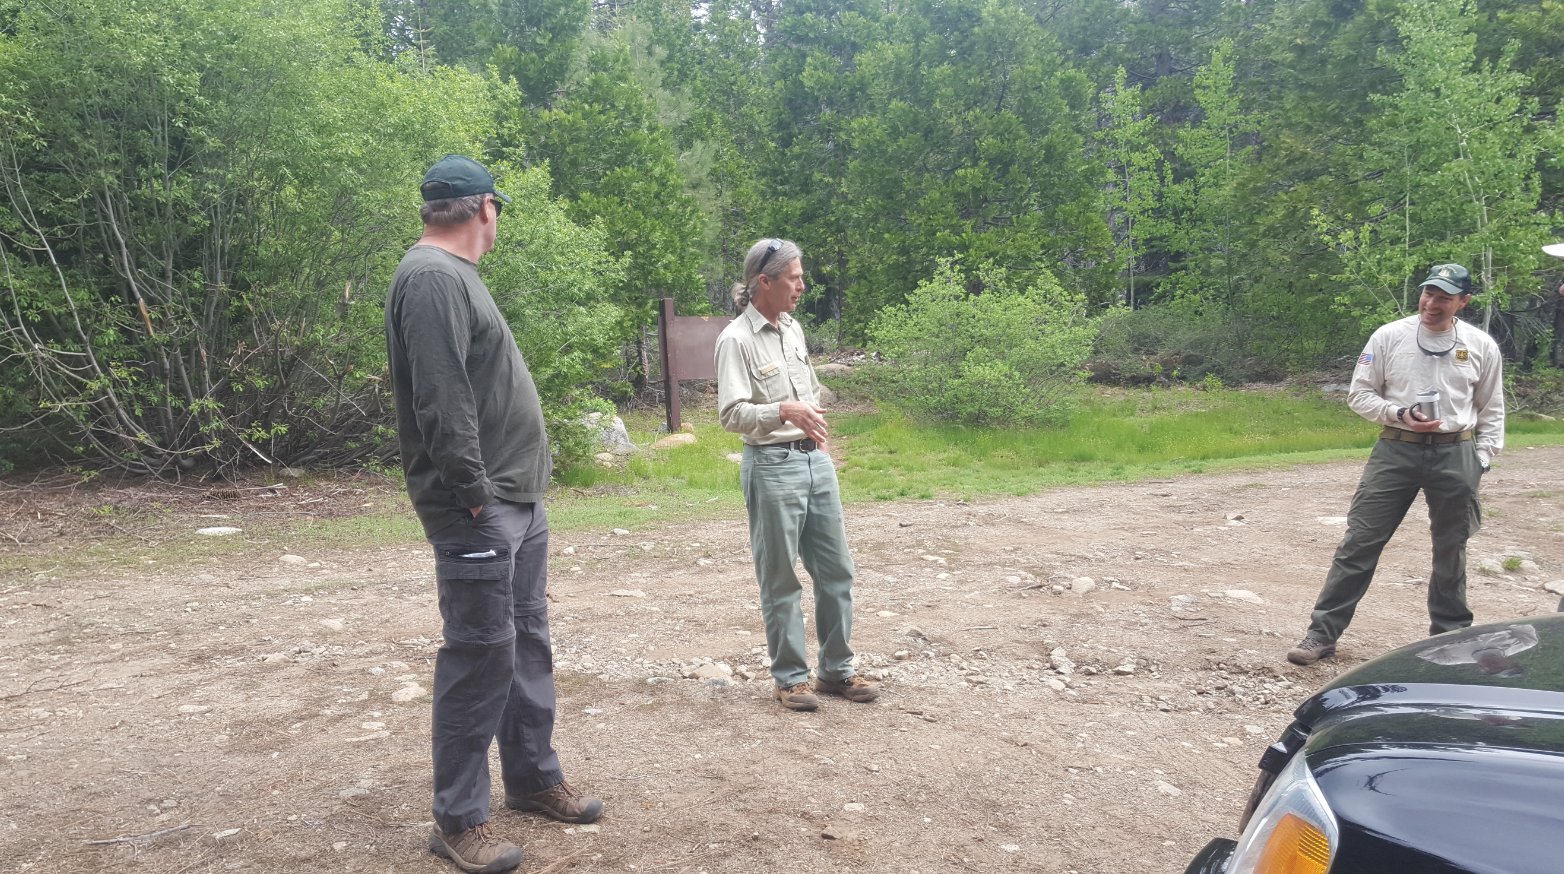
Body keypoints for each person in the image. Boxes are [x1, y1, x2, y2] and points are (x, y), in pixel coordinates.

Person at [385, 154, 602, 874]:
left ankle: (534, 778)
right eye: (498, 209)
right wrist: (473, 491)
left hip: (515, 500)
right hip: (479, 506)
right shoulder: (430, 278)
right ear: (485, 208)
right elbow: (440, 402)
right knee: (479, 655)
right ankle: (457, 819)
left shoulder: (455, 277)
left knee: (524, 640)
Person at [1287, 263, 1505, 666]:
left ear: (1463, 301)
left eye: (1443, 296)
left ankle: (1451, 636)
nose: (1432, 303)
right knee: (1359, 542)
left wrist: (1483, 458)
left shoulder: (1480, 345)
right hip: (1396, 448)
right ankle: (1322, 633)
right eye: (1428, 293)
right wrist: (1398, 413)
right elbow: (1360, 395)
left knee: (1451, 548)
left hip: (1456, 451)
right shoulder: (1389, 336)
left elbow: (1491, 408)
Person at [715, 238, 879, 711]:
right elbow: (731, 415)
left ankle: (837, 671)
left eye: (801, 276)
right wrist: (782, 411)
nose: (802, 286)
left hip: (814, 462)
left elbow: (812, 398)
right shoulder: (736, 340)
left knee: (836, 571)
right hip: (771, 466)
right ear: (763, 282)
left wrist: (822, 450)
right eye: (794, 277)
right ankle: (790, 679)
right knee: (781, 577)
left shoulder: (793, 329)